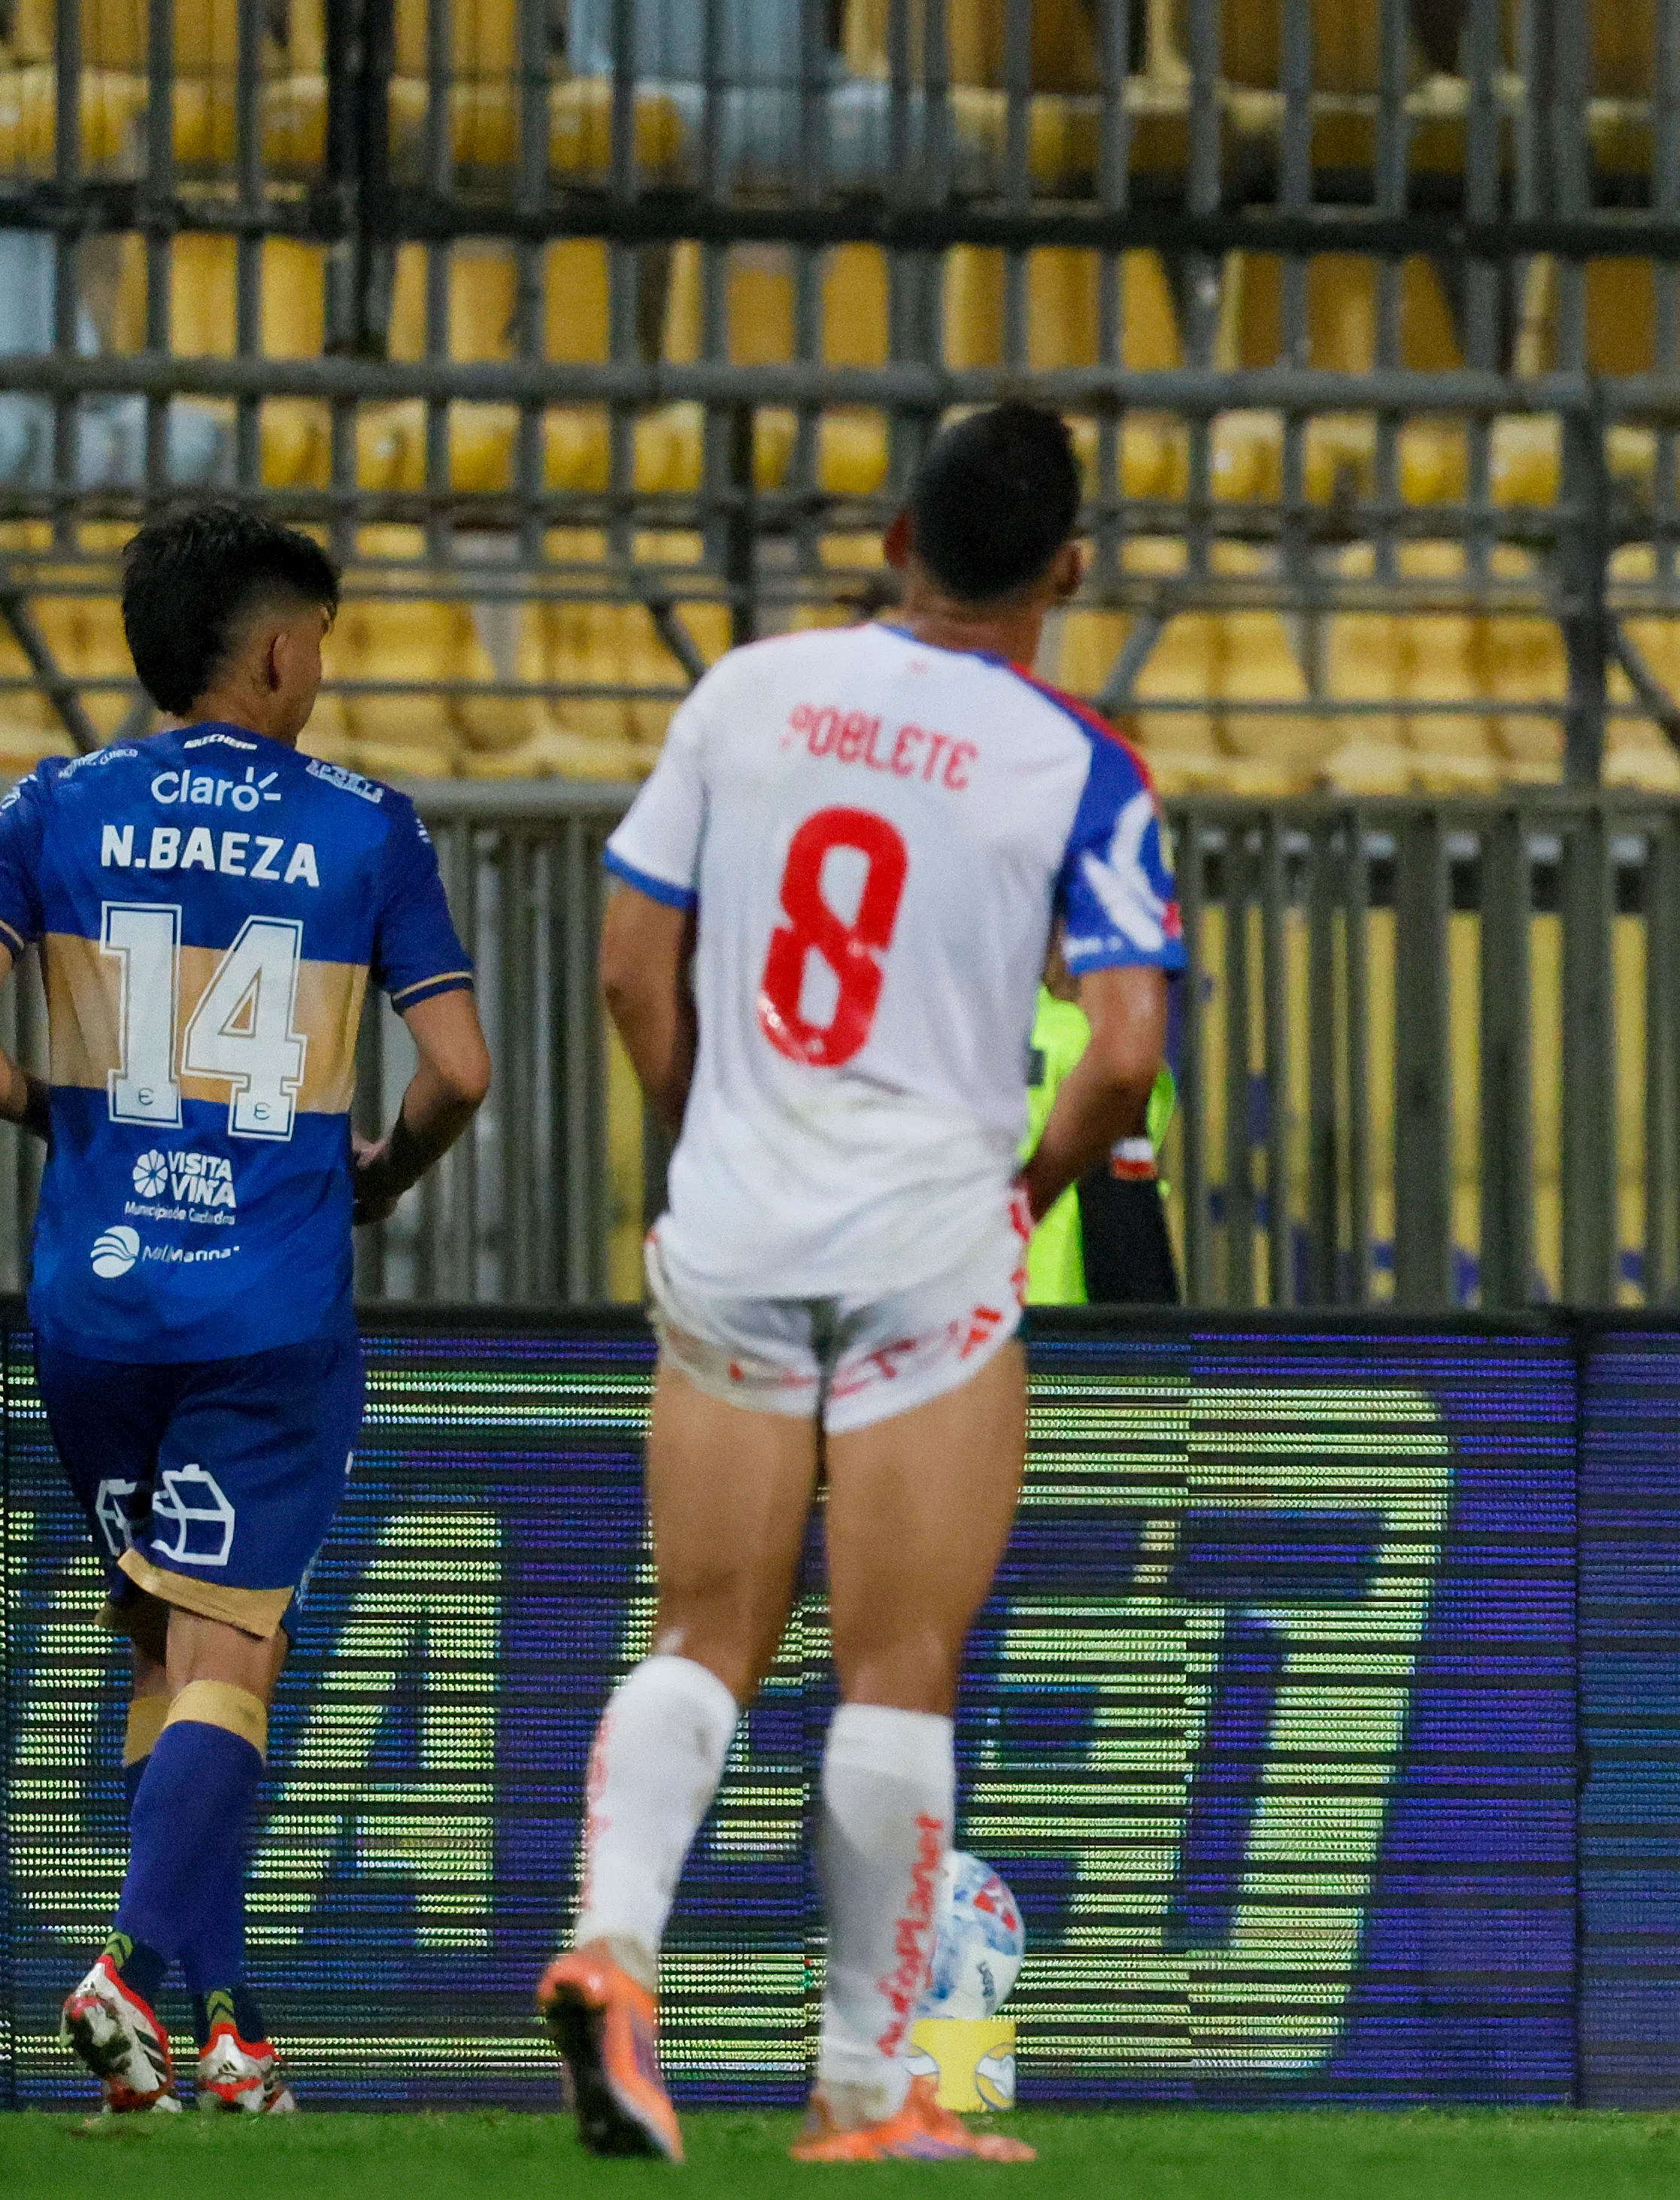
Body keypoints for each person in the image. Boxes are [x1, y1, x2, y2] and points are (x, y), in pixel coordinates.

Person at [545, 403, 1181, 2163]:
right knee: (896, 1658)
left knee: (697, 1631)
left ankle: (615, 1945)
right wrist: (1030, 1186)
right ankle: (859, 2080)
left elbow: (626, 965)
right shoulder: (1082, 763)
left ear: (896, 533)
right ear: (1067, 567)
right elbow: (1123, 1046)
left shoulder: (744, 694)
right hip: (924, 1245)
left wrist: (711, 1133)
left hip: (737, 1223)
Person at [8, 504, 491, 2115]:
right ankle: (130, 1971)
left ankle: (224, 2036)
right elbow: (460, 1073)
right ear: (280, 651)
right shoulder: (367, 827)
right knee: (233, 1652)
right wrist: (383, 1175)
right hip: (266, 1309)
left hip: (93, 1302)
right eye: (324, 645)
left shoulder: (51, 804)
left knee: (166, 1634)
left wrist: (57, 1111)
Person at [1023, 960, 1181, 1305]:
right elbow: (1127, 1244)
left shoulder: (959, 1038)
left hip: (955, 1331)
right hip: (1067, 1331)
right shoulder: (1100, 1058)